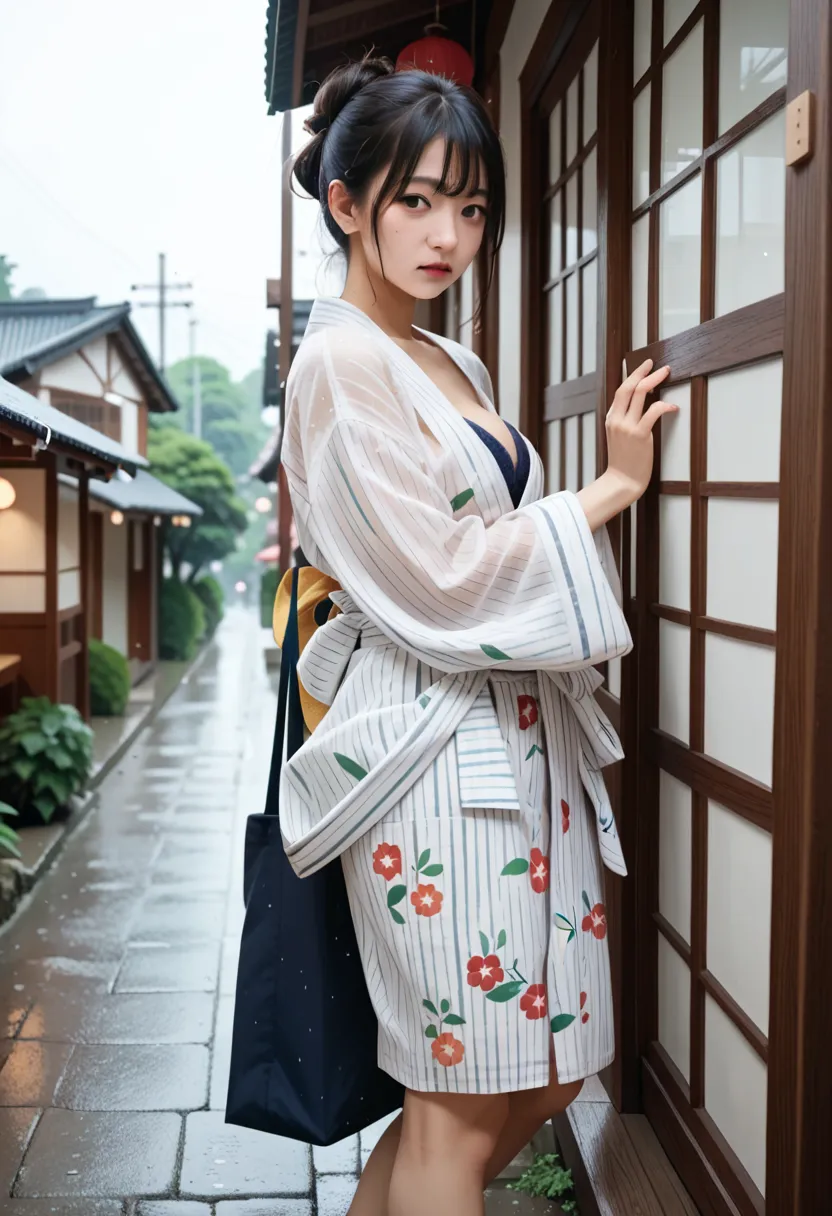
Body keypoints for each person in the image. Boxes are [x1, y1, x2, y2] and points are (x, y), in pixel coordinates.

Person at [279, 54, 677, 1216]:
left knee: (547, 1071)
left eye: (471, 206)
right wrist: (607, 490)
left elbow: (489, 541)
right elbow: (441, 576)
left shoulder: (446, 356)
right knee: (455, 1104)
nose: (447, 232)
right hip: (428, 761)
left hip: (517, 746)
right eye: (415, 199)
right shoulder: (339, 367)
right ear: (347, 204)